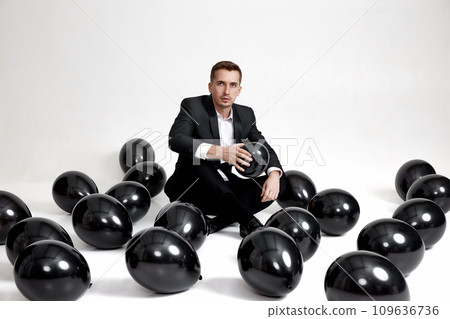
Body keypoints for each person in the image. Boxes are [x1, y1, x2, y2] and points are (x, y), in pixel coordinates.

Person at [164, 61, 286, 237]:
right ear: (210, 86)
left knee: (282, 183)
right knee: (198, 159)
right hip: (190, 188)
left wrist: (274, 174)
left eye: (232, 85)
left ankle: (217, 223)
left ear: (239, 90)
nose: (227, 91)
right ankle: (247, 220)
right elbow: (176, 140)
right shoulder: (193, 106)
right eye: (221, 84)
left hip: (221, 193)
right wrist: (220, 152)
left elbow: (263, 146)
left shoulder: (246, 114)